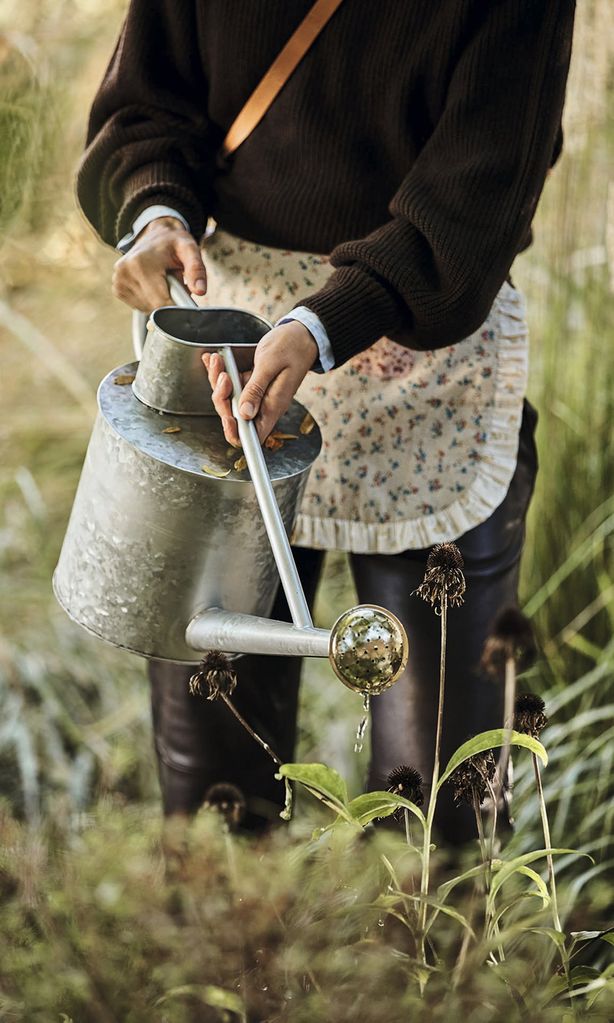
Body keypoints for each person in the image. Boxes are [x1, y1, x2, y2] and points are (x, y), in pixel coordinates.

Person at [77, 0, 576, 842]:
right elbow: (144, 106)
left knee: (441, 816)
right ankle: (241, 966)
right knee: (218, 804)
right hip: (226, 365)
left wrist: (321, 325)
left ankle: (427, 976)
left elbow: (476, 198)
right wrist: (154, 210)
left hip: (429, 359)